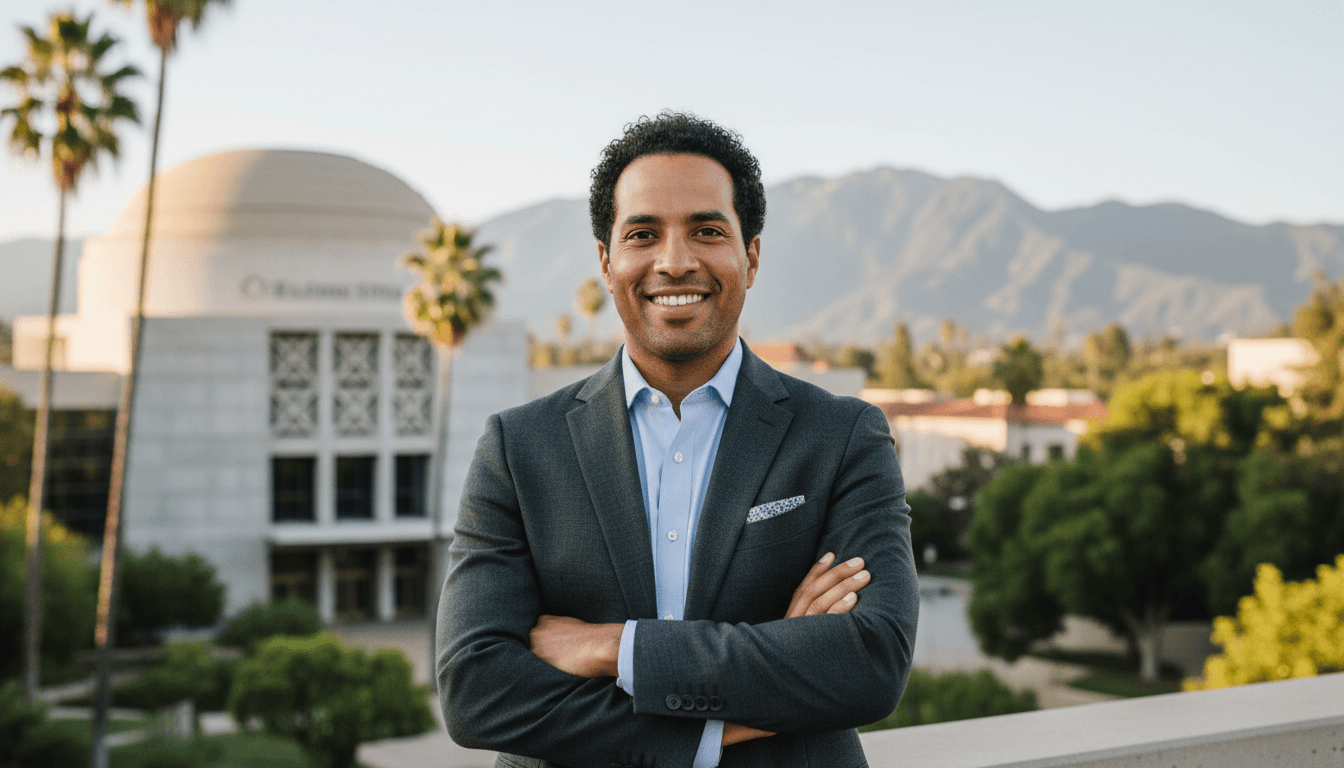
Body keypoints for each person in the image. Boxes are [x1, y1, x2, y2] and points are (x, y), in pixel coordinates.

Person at [437, 111, 918, 768]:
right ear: (607, 263)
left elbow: (869, 662)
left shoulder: (843, 437)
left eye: (707, 230)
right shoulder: (517, 451)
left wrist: (613, 648)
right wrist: (748, 697)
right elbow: (477, 691)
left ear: (750, 255)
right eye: (642, 234)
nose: (675, 261)